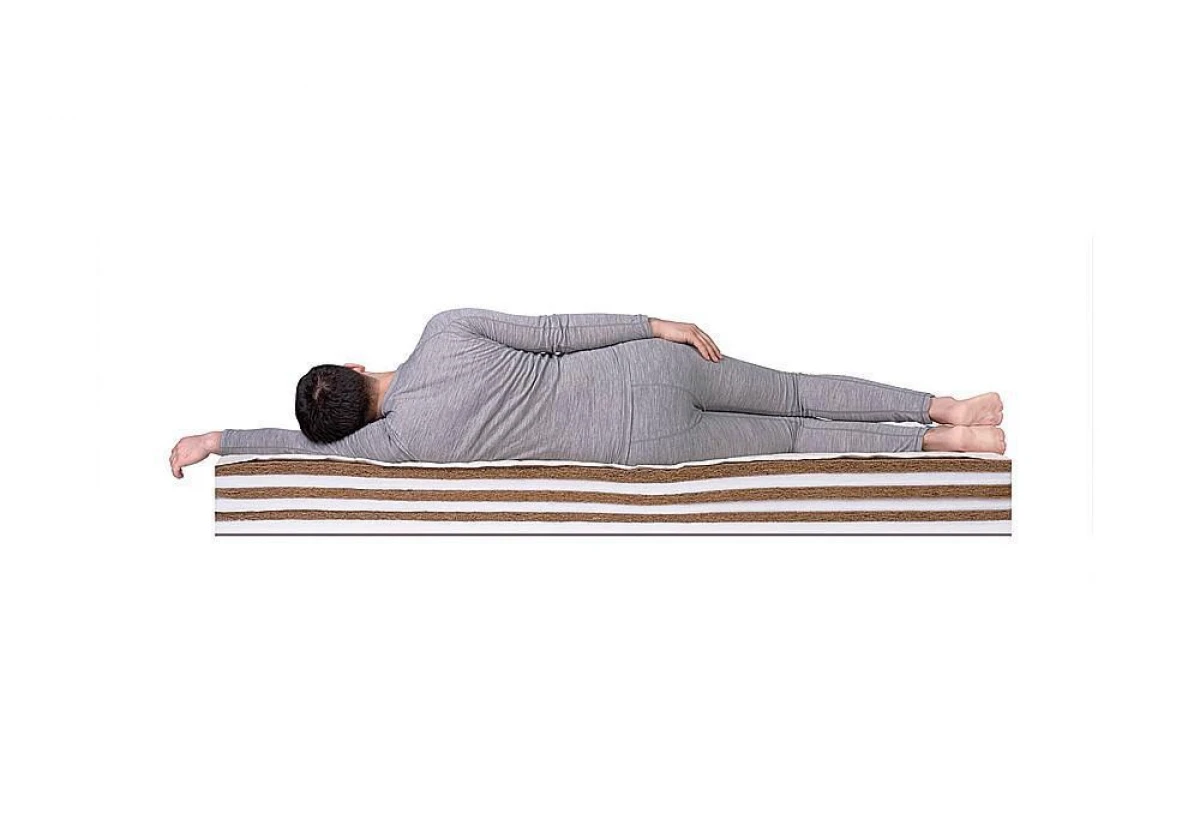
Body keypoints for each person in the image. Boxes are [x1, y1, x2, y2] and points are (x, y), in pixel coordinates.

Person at [169, 308, 1004, 478]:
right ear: (355, 368)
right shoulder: (444, 332)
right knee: (793, 391)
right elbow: (558, 331)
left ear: (349, 428)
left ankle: (944, 443)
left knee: (789, 439)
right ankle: (944, 406)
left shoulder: (396, 444)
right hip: (643, 368)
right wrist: (658, 324)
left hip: (640, 444)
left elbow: (299, 448)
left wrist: (217, 441)